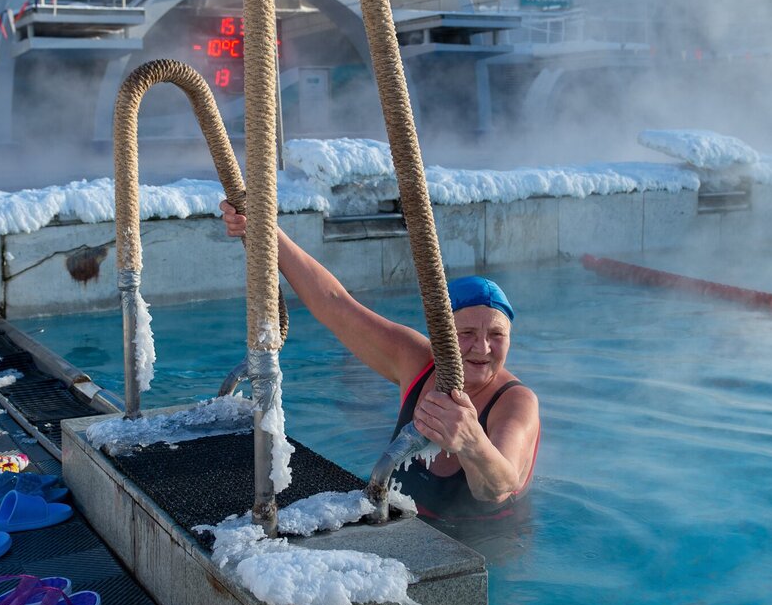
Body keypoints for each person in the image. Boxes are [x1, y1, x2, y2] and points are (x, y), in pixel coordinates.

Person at [220, 200, 540, 520]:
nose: (483, 348)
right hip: (400, 527)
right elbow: (334, 305)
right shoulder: (417, 359)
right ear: (442, 333)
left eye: (497, 335)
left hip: (489, 548)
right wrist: (267, 231)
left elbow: (498, 486)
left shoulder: (515, 402)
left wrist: (472, 442)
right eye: (467, 332)